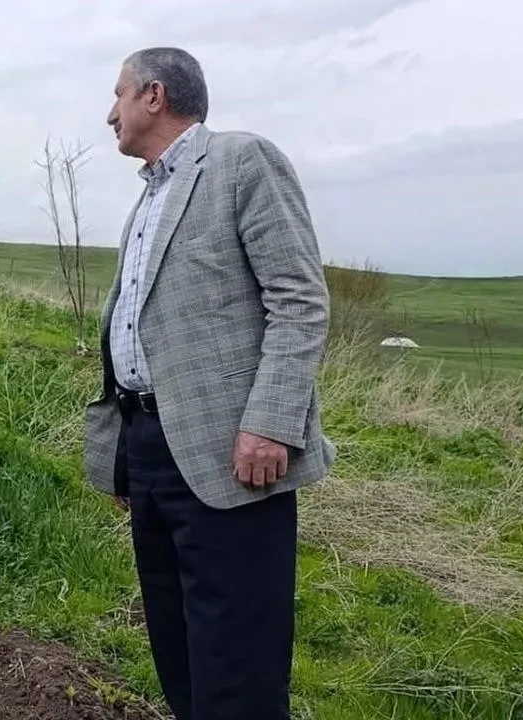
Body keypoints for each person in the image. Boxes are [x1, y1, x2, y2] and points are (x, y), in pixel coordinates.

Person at [82, 47, 335, 719]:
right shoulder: (150, 198)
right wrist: (122, 454)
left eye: (119, 94)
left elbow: (299, 299)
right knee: (178, 647)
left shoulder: (239, 162)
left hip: (232, 451)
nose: (111, 113)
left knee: (237, 662)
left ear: (154, 96)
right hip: (150, 446)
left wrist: (272, 422)